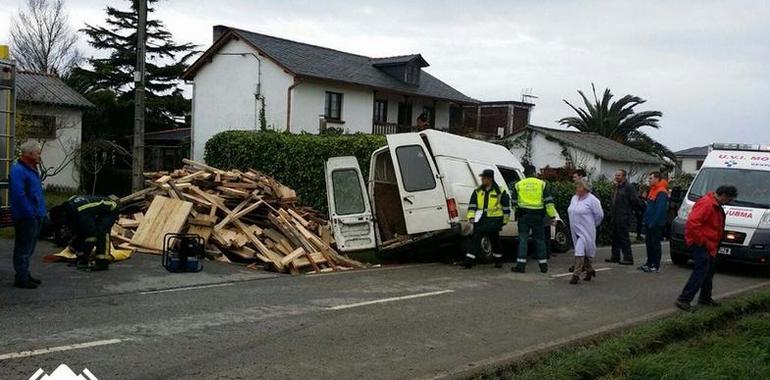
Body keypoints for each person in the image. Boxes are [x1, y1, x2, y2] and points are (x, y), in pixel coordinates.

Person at [675, 185, 737, 312]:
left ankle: (705, 298)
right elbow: (693, 223)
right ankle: (684, 299)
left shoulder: (714, 204)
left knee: (709, 270)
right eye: (729, 199)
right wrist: (702, 240)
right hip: (701, 242)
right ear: (724, 195)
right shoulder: (707, 204)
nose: (729, 202)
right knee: (701, 270)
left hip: (709, 243)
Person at [9, 140, 47, 289]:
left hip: (34, 215)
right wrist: (30, 213)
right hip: (26, 216)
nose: (39, 156)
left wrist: (41, 212)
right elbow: (19, 196)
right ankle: (21, 277)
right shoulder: (18, 171)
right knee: (23, 248)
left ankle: (24, 273)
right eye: (37, 153)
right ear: (30, 154)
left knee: (28, 248)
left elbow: (35, 193)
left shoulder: (31, 169)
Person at [511, 165, 557, 273]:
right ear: (534, 173)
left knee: (523, 240)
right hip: (537, 215)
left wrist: (517, 212)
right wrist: (552, 216)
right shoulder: (542, 184)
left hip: (523, 215)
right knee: (539, 240)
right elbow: (548, 201)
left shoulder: (518, 185)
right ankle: (543, 266)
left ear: (524, 173)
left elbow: (513, 202)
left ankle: (521, 265)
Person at [464, 169, 511, 268]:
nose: (482, 179)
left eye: (484, 178)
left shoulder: (500, 191)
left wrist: (505, 220)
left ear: (490, 179)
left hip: (494, 219)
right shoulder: (478, 191)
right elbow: (472, 205)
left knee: (495, 240)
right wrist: (471, 217)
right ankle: (468, 262)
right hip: (481, 219)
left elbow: (506, 207)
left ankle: (498, 260)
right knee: (475, 239)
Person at [60, 195, 119, 271]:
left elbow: (91, 236)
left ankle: (102, 262)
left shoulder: (81, 211)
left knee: (101, 232)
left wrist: (84, 259)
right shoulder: (70, 205)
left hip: (111, 209)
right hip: (97, 209)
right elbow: (80, 231)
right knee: (83, 230)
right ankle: (81, 258)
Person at [567, 178, 604, 284]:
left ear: (585, 188)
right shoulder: (574, 198)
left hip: (586, 230)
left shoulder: (592, 200)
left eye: (579, 187)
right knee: (584, 251)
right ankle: (589, 270)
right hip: (575, 229)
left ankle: (576, 275)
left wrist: (593, 224)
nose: (577, 189)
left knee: (579, 250)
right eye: (576, 187)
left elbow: (599, 215)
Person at [606, 169, 641, 265]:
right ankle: (615, 256)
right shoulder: (616, 187)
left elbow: (635, 201)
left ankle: (628, 258)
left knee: (624, 237)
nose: (616, 177)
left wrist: (629, 211)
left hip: (624, 216)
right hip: (615, 215)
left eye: (619, 175)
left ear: (624, 176)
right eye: (616, 175)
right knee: (615, 237)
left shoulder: (628, 187)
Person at [640, 172, 669, 273]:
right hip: (649, 221)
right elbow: (649, 207)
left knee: (655, 244)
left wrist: (654, 222)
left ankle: (655, 265)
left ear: (657, 179)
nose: (649, 180)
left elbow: (660, 210)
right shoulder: (653, 190)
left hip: (655, 223)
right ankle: (649, 263)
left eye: (651, 178)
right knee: (649, 244)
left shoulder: (661, 192)